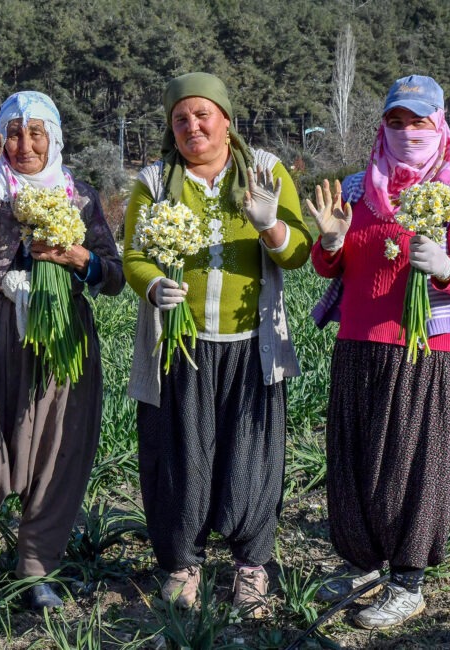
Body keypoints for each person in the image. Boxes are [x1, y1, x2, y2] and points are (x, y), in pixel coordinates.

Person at [308, 74, 450, 629]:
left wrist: (444, 269)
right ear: (382, 125)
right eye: (396, 120)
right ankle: (365, 563)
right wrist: (331, 241)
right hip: (362, 345)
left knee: (416, 466)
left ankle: (408, 581)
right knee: (358, 460)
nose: (408, 131)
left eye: (420, 121)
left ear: (440, 124)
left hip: (434, 350)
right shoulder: (356, 190)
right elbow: (331, 268)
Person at [122, 73, 312, 618]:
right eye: (180, 119)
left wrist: (271, 225)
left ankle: (251, 566)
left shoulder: (266, 172)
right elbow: (135, 254)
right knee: (181, 453)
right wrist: (155, 285)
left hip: (251, 343)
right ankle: (182, 563)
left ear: (227, 119)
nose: (192, 126)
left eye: (203, 114)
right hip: (182, 345)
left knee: (251, 454)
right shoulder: (155, 182)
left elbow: (297, 252)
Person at [0, 91, 125, 610]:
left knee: (56, 447)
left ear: (55, 139)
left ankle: (37, 568)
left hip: (60, 331)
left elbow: (111, 277)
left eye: (36, 133)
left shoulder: (80, 195)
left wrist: (76, 256)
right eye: (14, 134)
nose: (24, 145)